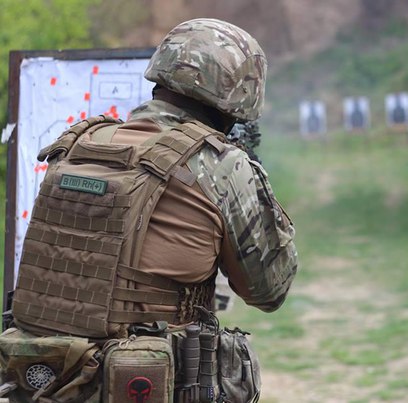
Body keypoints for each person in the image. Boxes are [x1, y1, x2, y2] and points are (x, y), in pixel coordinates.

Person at [2, 18, 297, 402]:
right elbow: (269, 289)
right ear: (239, 95)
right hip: (144, 383)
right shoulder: (223, 166)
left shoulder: (78, 143)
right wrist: (254, 186)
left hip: (42, 379)